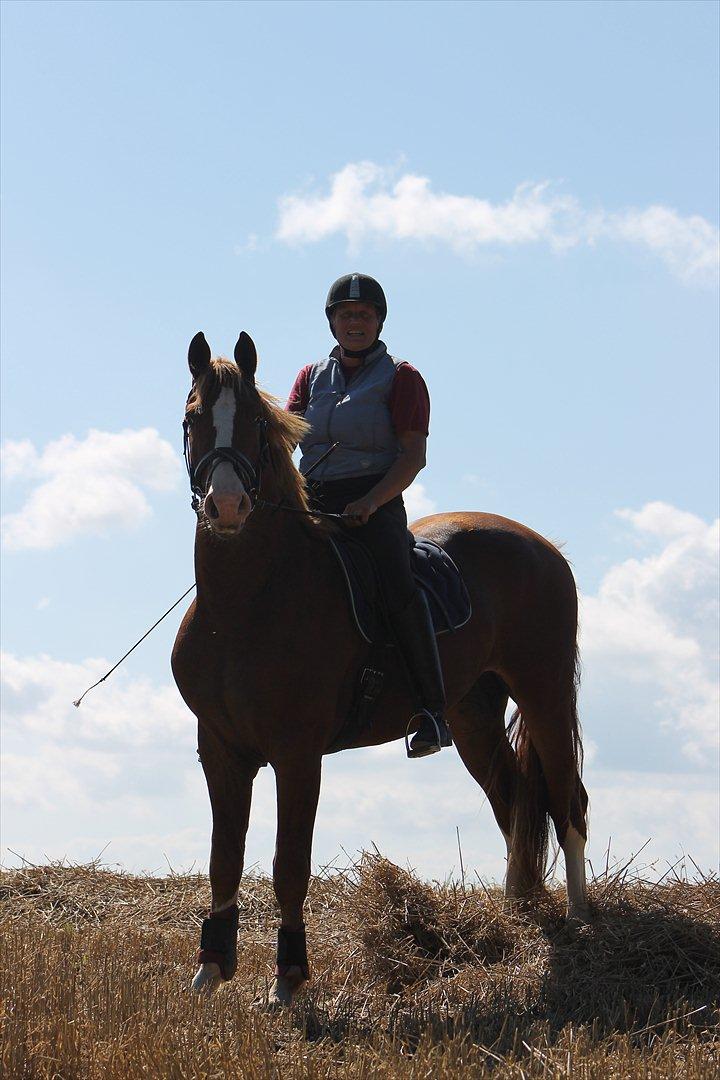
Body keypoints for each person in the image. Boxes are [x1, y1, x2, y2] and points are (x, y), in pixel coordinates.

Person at [286, 273, 451, 757]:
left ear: (379, 322)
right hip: (312, 498)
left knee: (398, 586)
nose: (354, 322)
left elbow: (413, 457)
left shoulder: (403, 377)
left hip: (374, 500)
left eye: (363, 315)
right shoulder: (309, 377)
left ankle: (432, 711)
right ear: (332, 322)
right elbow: (284, 440)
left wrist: (372, 502)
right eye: (346, 315)